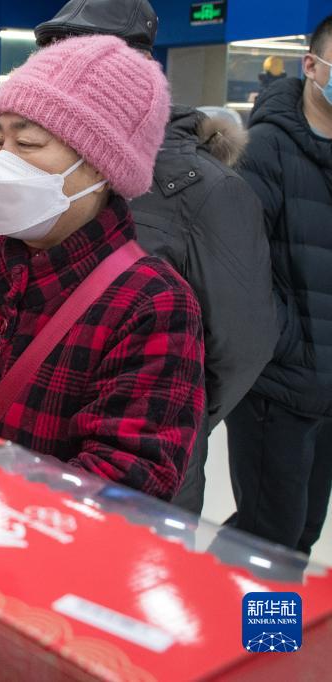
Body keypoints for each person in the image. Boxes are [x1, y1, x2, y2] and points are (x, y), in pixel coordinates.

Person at [0, 35, 204, 501]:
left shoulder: (153, 305)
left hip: (37, 555)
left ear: (103, 169)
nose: (2, 163)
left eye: (27, 142)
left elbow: (127, 481)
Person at [34, 0, 279, 514]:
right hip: (37, 443)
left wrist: (167, 411)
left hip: (146, 463)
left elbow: (242, 343)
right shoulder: (47, 165)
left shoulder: (208, 190)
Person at [224, 13, 332, 555]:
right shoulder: (264, 148)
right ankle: (245, 635)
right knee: (269, 537)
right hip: (279, 388)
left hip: (327, 388)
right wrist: (286, 347)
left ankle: (267, 638)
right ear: (311, 65)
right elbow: (239, 270)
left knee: (305, 532)